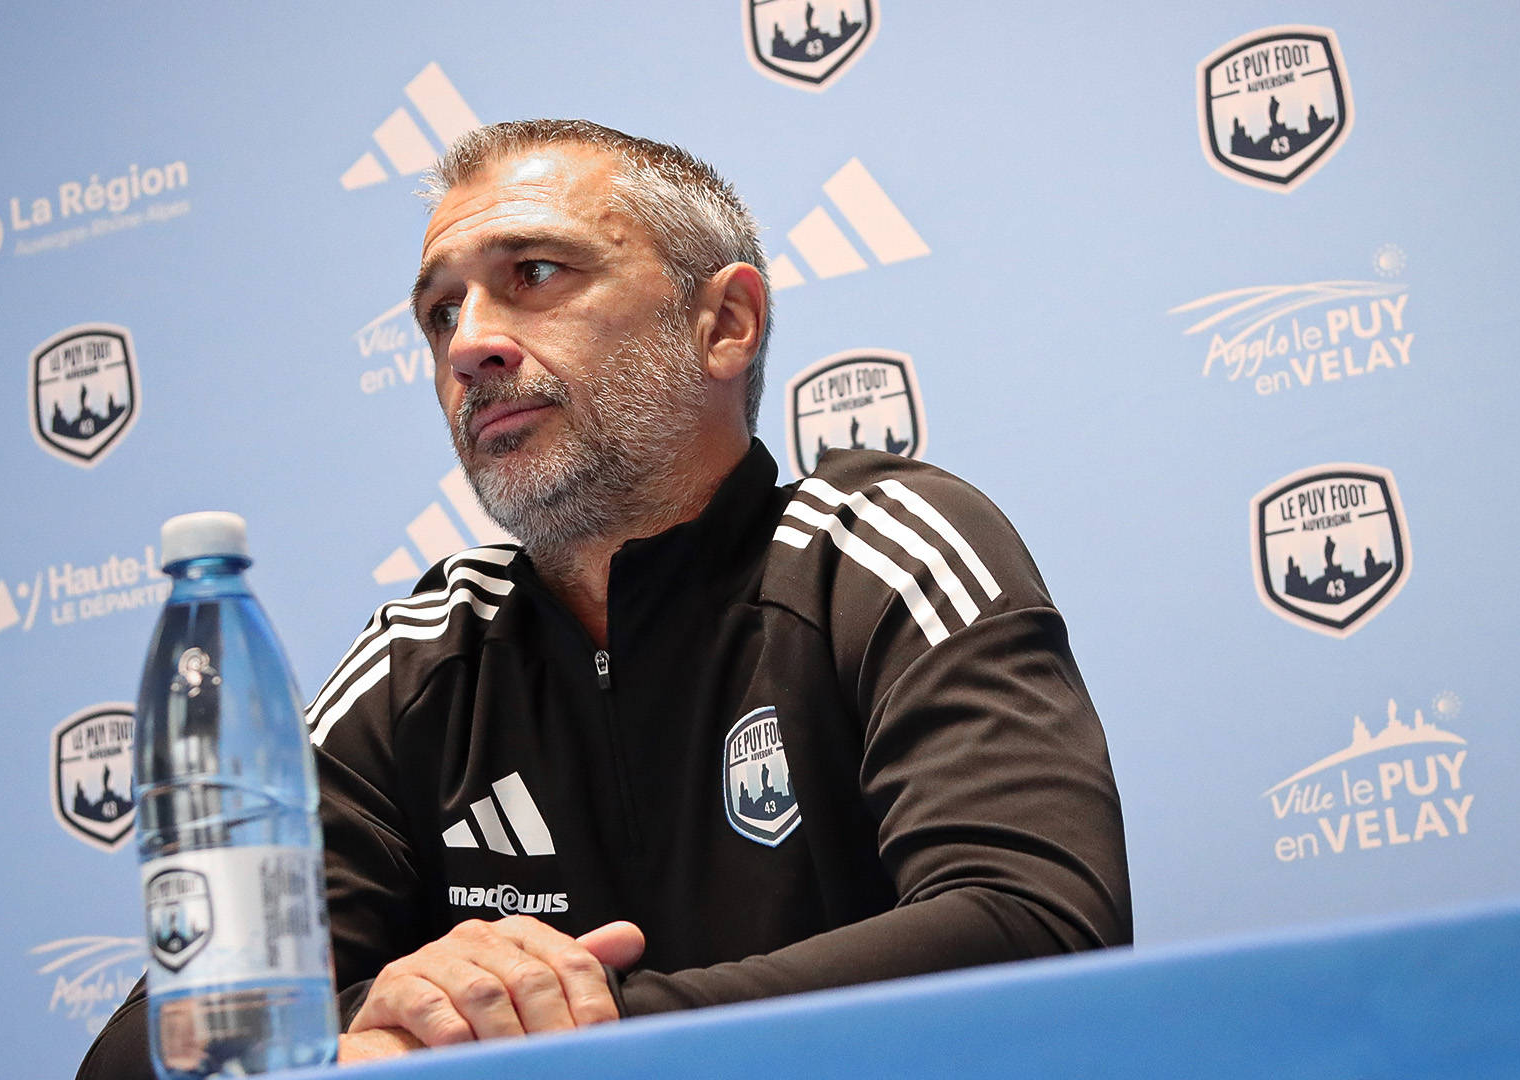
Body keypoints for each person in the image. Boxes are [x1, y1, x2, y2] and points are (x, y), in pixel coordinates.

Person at [78, 119, 1131, 1076]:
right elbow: (151, 1047)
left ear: (724, 324)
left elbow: (1037, 927)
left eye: (534, 273)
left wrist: (570, 1026)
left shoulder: (875, 553)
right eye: (440, 312)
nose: (468, 344)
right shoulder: (423, 661)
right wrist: (401, 1013)